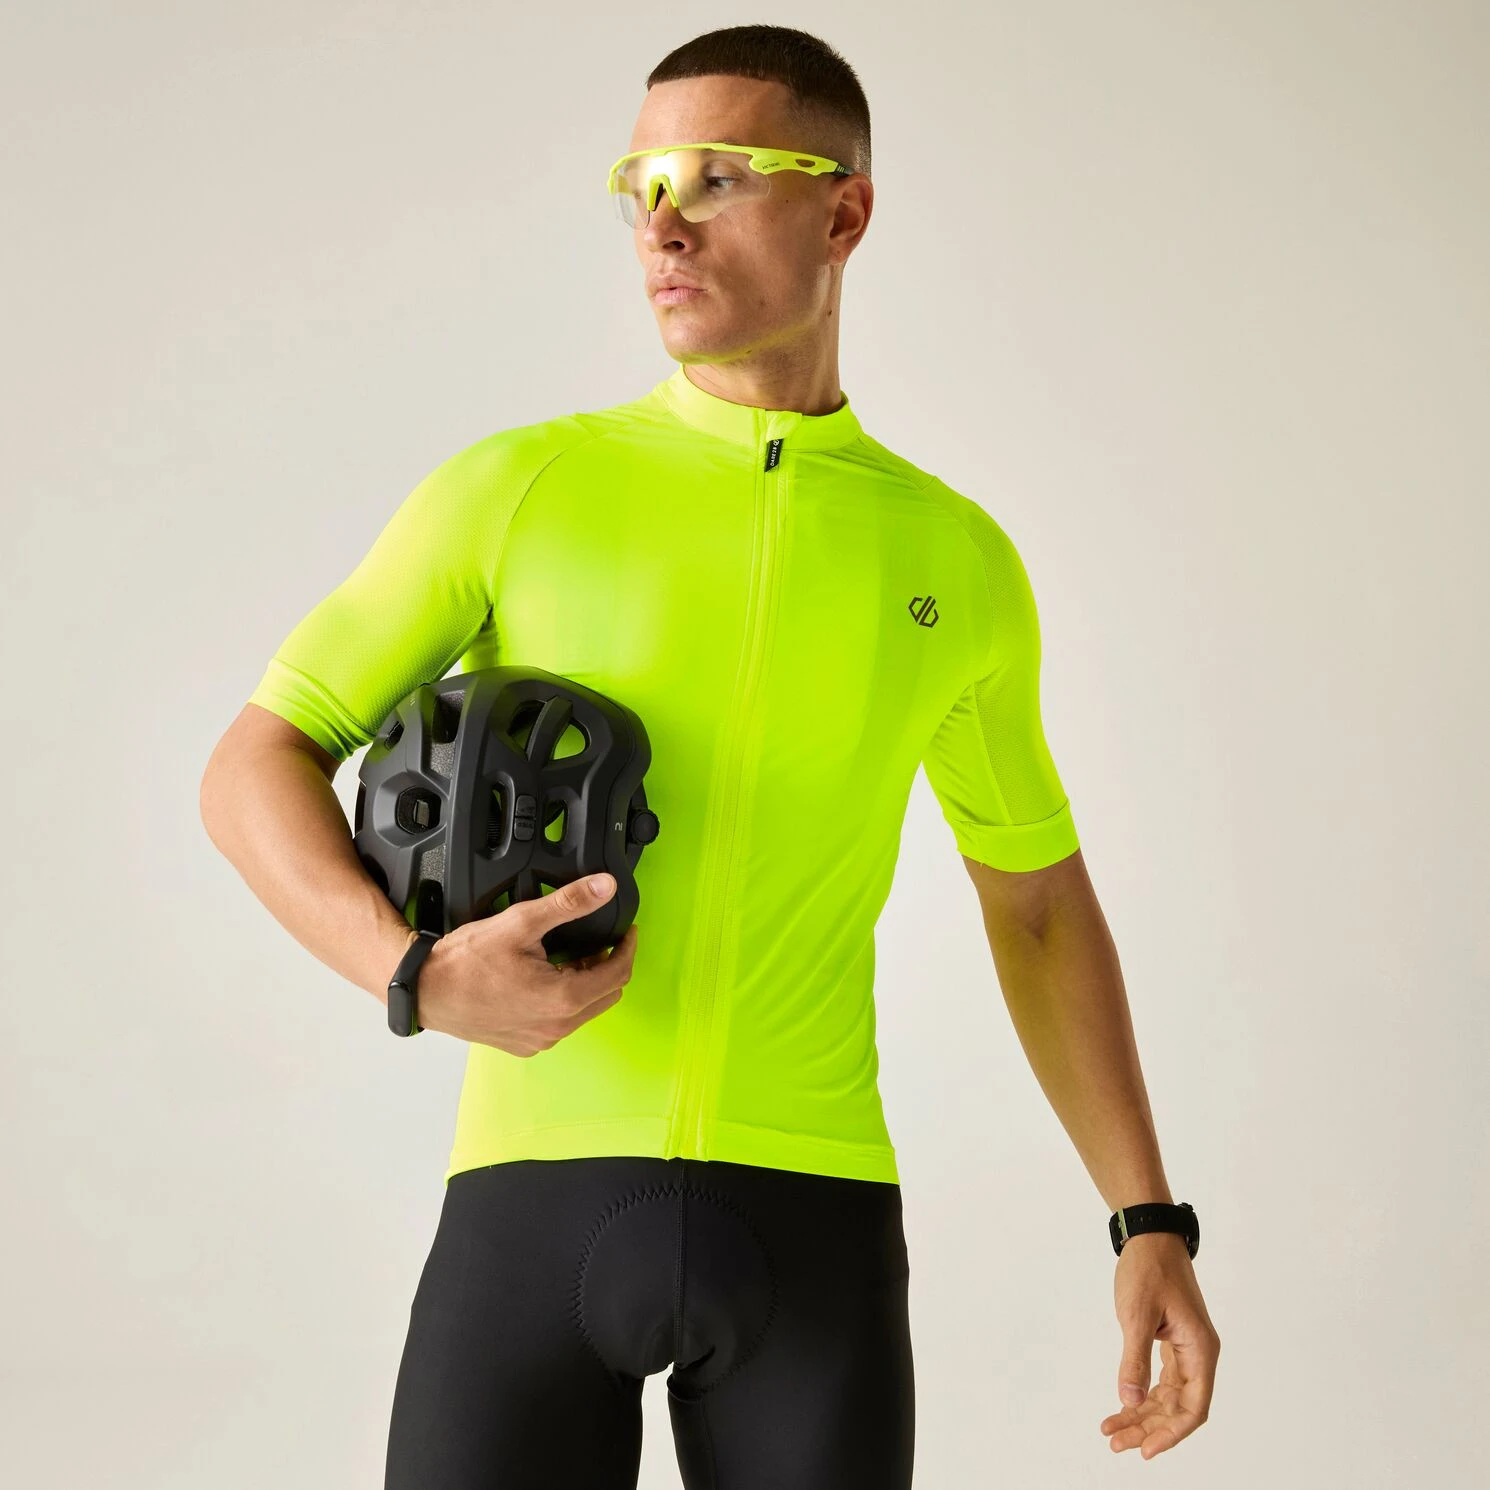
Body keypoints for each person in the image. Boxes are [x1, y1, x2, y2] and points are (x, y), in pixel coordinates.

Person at [199, 23, 1219, 1489]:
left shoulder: (954, 560)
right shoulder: (521, 488)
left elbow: (1039, 901)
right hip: (529, 1212)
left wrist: (1147, 1219)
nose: (661, 225)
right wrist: (406, 971)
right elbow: (256, 760)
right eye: (641, 184)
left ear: (843, 213)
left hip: (814, 1217)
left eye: (717, 176)